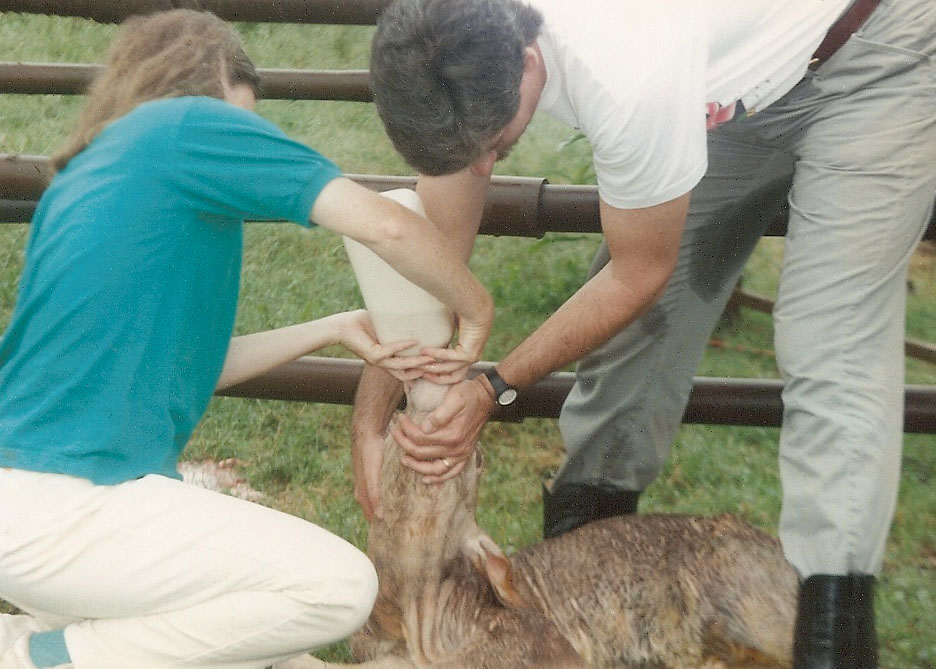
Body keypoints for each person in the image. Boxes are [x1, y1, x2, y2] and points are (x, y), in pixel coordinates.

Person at [354, 0, 936, 666]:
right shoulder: (454, 44)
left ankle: (833, 641)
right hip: (721, 74)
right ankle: (588, 603)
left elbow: (640, 273)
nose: (484, 166)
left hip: (864, 52)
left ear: (529, 58)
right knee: (630, 349)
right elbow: (434, 251)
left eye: (493, 141)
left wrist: (493, 386)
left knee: (831, 345)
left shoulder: (624, 67)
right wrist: (369, 419)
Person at [0, 9, 493, 669]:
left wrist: (333, 327)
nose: (249, 137)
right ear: (215, 76)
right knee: (336, 587)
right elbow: (388, 227)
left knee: (273, 649)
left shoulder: (92, 176)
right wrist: (475, 303)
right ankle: (40, 656)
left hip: (38, 516)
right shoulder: (186, 127)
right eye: (245, 117)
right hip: (70, 513)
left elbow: (196, 367)